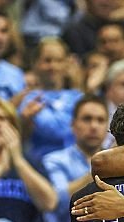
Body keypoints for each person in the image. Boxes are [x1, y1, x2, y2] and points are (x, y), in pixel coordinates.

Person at [20, 38, 85, 166]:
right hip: (41, 167)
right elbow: (56, 131)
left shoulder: (78, 96)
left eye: (59, 60)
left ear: (67, 64)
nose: (53, 66)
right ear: (35, 64)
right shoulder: (29, 100)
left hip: (77, 168)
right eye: (47, 60)